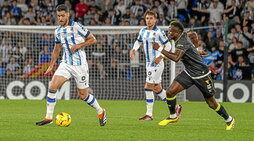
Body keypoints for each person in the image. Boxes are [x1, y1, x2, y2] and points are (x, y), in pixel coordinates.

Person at [152, 21, 235, 130]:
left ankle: (229, 119)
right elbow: (193, 35)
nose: (168, 33)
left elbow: (176, 58)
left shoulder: (182, 41)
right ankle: (173, 116)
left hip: (201, 74)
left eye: (171, 31)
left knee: (211, 103)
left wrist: (159, 49)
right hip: (189, 72)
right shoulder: (183, 36)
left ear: (177, 32)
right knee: (170, 92)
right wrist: (195, 50)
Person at [35, 4, 106, 126]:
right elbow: (57, 49)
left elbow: (93, 39)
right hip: (66, 64)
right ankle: (49, 117)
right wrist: (52, 65)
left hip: (80, 66)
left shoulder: (77, 26)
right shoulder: (57, 30)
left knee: (83, 95)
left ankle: (101, 111)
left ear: (68, 14)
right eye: (58, 16)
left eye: (63, 15)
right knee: (52, 86)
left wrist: (79, 45)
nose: (60, 18)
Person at [130, 10, 181, 120]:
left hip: (156, 64)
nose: (149, 20)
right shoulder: (142, 30)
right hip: (148, 63)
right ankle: (176, 107)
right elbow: (138, 41)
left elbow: (168, 46)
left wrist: (160, 57)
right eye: (147, 18)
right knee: (157, 89)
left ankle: (149, 114)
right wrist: (134, 49)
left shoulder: (159, 32)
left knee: (148, 86)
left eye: (151, 18)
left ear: (155, 20)